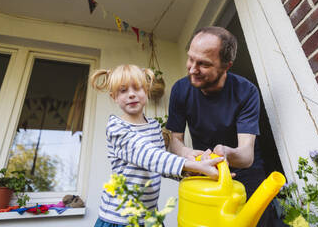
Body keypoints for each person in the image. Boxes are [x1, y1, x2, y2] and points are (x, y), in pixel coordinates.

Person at [166, 26, 274, 226]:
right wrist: (190, 155)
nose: (192, 69)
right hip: (205, 171)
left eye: (203, 64)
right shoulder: (180, 90)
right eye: (190, 58)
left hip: (245, 173)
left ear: (226, 66)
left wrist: (225, 153)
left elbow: (246, 155)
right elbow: (175, 141)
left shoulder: (247, 92)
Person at [90, 64, 223, 227]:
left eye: (137, 88)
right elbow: (149, 156)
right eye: (123, 90)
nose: (131, 94)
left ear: (146, 91)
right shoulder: (116, 127)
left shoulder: (154, 127)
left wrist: (193, 170)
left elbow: (161, 165)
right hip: (119, 218)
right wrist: (192, 164)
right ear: (114, 97)